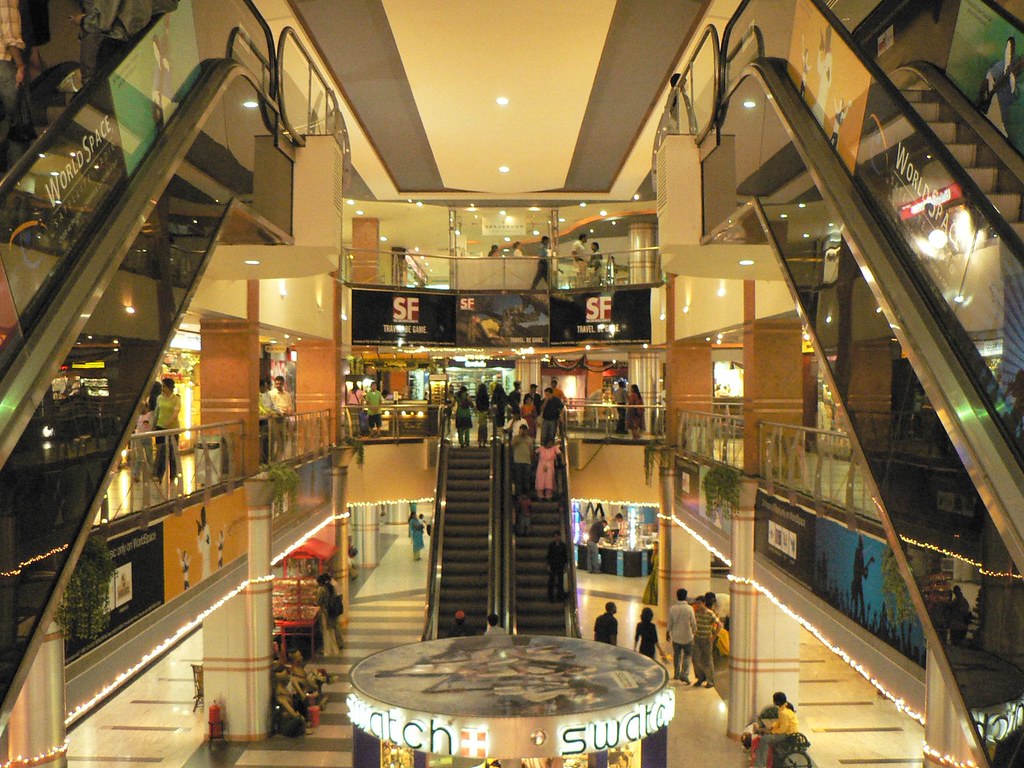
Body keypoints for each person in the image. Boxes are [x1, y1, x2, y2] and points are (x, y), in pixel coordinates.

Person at [0, 1, 24, 173]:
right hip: (3, 63)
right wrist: (21, 65)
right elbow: (10, 36)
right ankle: (14, 179)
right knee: (13, 122)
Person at [753, 692, 799, 768]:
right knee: (766, 737)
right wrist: (772, 727)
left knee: (765, 739)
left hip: (787, 735)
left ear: (778, 702)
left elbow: (783, 730)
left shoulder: (784, 712)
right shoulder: (783, 709)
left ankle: (759, 765)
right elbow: (779, 722)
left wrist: (772, 731)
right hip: (787, 733)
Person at [154, 377, 181, 483]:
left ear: (169, 387)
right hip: (160, 427)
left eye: (164, 386)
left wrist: (169, 423)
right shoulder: (159, 398)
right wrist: (154, 426)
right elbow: (157, 412)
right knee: (160, 452)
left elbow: (176, 413)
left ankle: (173, 475)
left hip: (172, 429)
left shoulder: (176, 399)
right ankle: (159, 474)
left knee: (172, 452)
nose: (162, 388)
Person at [666, 588, 697, 683]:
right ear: (686, 597)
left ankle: (676, 674)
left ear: (677, 596)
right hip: (688, 636)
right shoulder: (689, 608)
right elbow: (693, 622)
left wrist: (667, 632)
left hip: (676, 637)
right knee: (687, 655)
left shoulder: (672, 609)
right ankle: (684, 674)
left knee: (677, 655)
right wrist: (694, 631)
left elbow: (670, 623)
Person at [692, 594, 721, 688]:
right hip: (697, 638)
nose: (698, 605)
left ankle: (710, 681)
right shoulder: (696, 612)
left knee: (707, 660)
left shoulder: (709, 613)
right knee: (696, 659)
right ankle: (700, 677)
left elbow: (719, 624)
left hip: (707, 639)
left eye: (699, 603)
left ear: (704, 603)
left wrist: (714, 636)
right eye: (697, 603)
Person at [316, 572, 343, 656]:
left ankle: (328, 651)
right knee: (332, 631)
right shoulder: (331, 587)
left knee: (326, 632)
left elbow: (318, 601)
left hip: (326, 613)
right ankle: (335, 649)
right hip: (332, 612)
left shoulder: (322, 590)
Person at [270, 375, 294, 458]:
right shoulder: (271, 394)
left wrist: (290, 410)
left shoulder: (287, 394)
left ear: (283, 383)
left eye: (280, 384)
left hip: (284, 419)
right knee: (274, 439)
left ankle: (279, 457)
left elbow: (290, 405)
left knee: (284, 438)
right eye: (276, 384)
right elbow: (271, 406)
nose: (278, 386)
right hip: (274, 419)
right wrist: (280, 412)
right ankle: (272, 459)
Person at [510, 424, 533, 497]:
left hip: (527, 461)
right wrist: (519, 437)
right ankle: (518, 494)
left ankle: (527, 493)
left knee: (526, 478)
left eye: (524, 430)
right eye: (521, 430)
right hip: (518, 461)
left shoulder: (529, 439)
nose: (523, 432)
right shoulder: (516, 438)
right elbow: (512, 445)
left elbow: (531, 450)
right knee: (518, 478)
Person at [546, 530, 569, 602]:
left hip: (560, 565)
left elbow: (565, 556)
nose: (556, 538)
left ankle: (560, 596)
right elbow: (548, 556)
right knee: (551, 581)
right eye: (555, 536)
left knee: (560, 582)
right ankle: (551, 597)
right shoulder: (551, 545)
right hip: (553, 565)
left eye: (557, 536)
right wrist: (548, 565)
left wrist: (565, 565)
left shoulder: (563, 545)